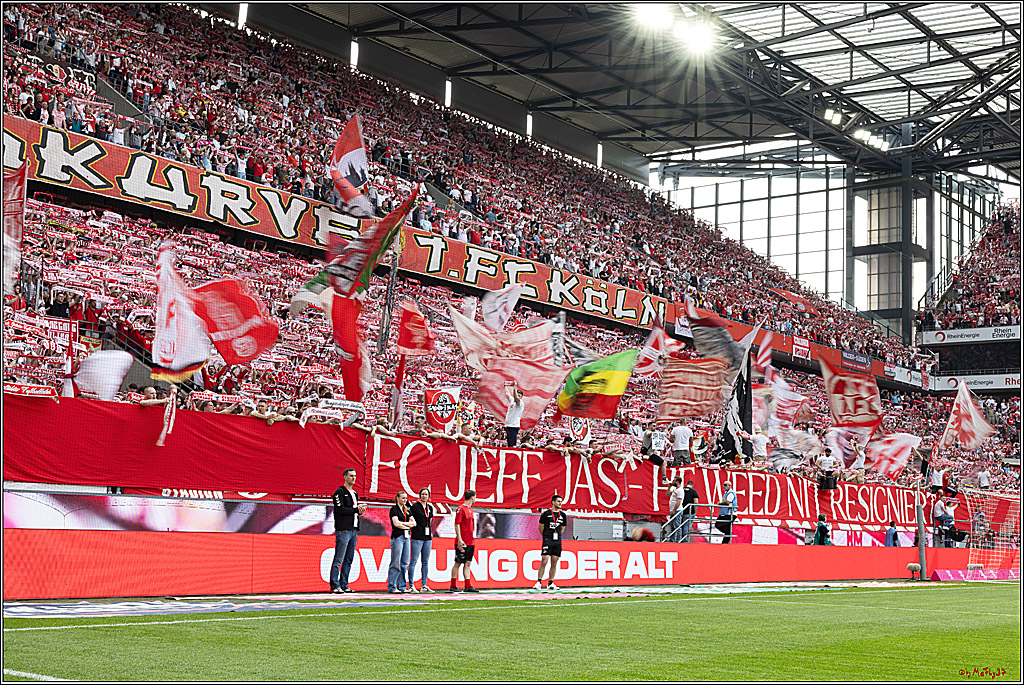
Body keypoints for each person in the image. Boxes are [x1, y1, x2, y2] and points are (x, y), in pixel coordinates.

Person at [330, 467, 365, 593]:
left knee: (349, 558)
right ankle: (335, 585)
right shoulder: (339, 492)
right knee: (339, 558)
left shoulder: (354, 493)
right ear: (345, 477)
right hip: (343, 529)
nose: (353, 478)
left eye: (355, 476)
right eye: (351, 476)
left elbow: (353, 511)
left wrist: (359, 511)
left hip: (353, 529)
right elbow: (340, 510)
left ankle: (344, 584)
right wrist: (356, 509)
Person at [533, 494, 568, 591]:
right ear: (553, 502)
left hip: (557, 541)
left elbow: (562, 528)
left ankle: (550, 583)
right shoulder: (546, 513)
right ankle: (539, 582)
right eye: (558, 501)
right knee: (544, 560)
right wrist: (546, 536)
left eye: (561, 501)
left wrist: (557, 536)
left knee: (554, 562)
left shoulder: (563, 515)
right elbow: (541, 527)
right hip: (547, 539)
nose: (560, 503)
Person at [407, 486, 435, 593]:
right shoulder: (415, 507)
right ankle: (411, 585)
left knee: (425, 561)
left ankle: (424, 585)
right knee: (413, 561)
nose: (424, 496)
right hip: (417, 537)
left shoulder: (430, 507)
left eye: (426, 494)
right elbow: (411, 520)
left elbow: (430, 520)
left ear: (428, 496)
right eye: (422, 494)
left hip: (427, 538)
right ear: (419, 495)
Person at [450, 490, 479, 593]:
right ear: (472, 497)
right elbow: (457, 524)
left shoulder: (470, 509)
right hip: (462, 541)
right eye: (475, 497)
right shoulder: (461, 509)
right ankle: (453, 585)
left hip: (471, 541)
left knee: (468, 563)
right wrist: (459, 539)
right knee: (458, 562)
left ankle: (468, 585)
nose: (475, 499)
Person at [387, 491, 415, 593]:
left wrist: (403, 523)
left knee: (404, 562)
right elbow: (396, 524)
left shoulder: (407, 510)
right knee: (396, 562)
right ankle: (392, 586)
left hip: (406, 537)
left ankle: (402, 586)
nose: (404, 500)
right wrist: (406, 526)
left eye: (406, 498)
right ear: (397, 498)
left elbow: (414, 523)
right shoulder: (394, 509)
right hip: (398, 537)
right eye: (402, 498)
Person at [504, 381, 524, 447]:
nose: (518, 395)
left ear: (521, 397)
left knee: (512, 444)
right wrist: (505, 386)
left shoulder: (520, 403)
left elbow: (516, 398)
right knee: (509, 443)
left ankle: (512, 456)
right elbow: (507, 394)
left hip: (513, 425)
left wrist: (514, 387)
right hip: (509, 425)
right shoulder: (512, 400)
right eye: (517, 394)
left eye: (519, 395)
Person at [665, 476, 684, 543]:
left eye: (674, 481)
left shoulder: (680, 490)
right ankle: (672, 539)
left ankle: (678, 540)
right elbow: (668, 494)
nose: (672, 482)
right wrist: (669, 487)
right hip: (672, 510)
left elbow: (679, 501)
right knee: (672, 526)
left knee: (677, 525)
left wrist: (674, 510)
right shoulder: (675, 489)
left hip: (677, 510)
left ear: (677, 482)